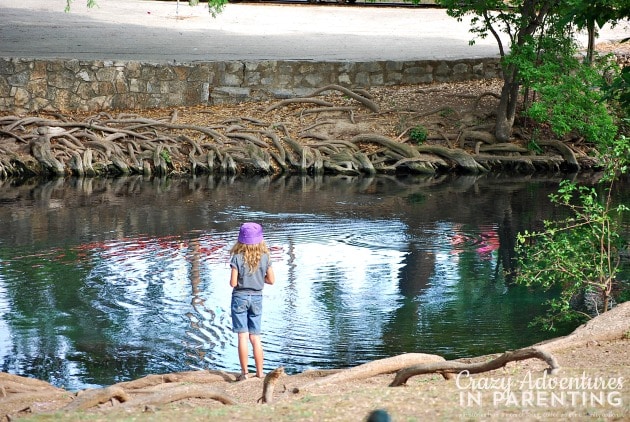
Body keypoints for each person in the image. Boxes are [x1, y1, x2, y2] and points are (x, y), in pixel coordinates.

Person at [229, 222, 275, 381]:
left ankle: (244, 374)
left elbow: (233, 283)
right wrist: (257, 279)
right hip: (257, 298)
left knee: (242, 336)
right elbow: (272, 280)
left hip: (240, 297)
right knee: (255, 337)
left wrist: (244, 278)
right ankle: (261, 373)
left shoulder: (237, 257)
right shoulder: (265, 257)